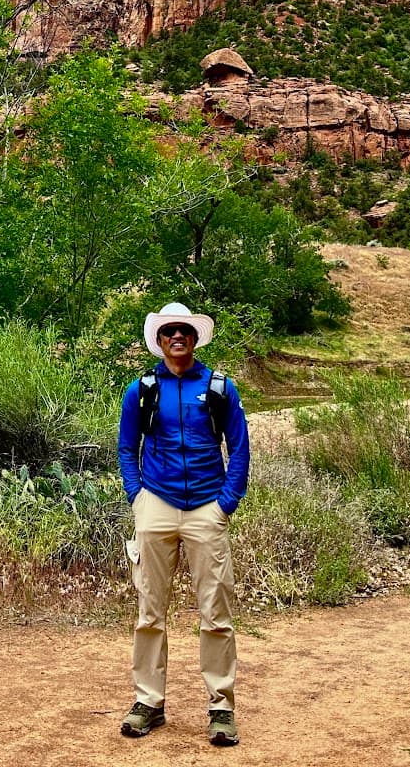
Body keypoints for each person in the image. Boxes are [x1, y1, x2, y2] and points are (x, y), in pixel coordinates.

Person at [117, 301, 250, 747]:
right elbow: (126, 447)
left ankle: (221, 708)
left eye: (185, 331)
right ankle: (149, 703)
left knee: (216, 612)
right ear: (159, 340)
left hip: (207, 509)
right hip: (155, 504)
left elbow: (240, 448)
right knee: (149, 609)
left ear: (194, 339)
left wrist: (226, 503)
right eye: (169, 331)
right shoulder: (141, 389)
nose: (177, 337)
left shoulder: (219, 388)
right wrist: (138, 497)